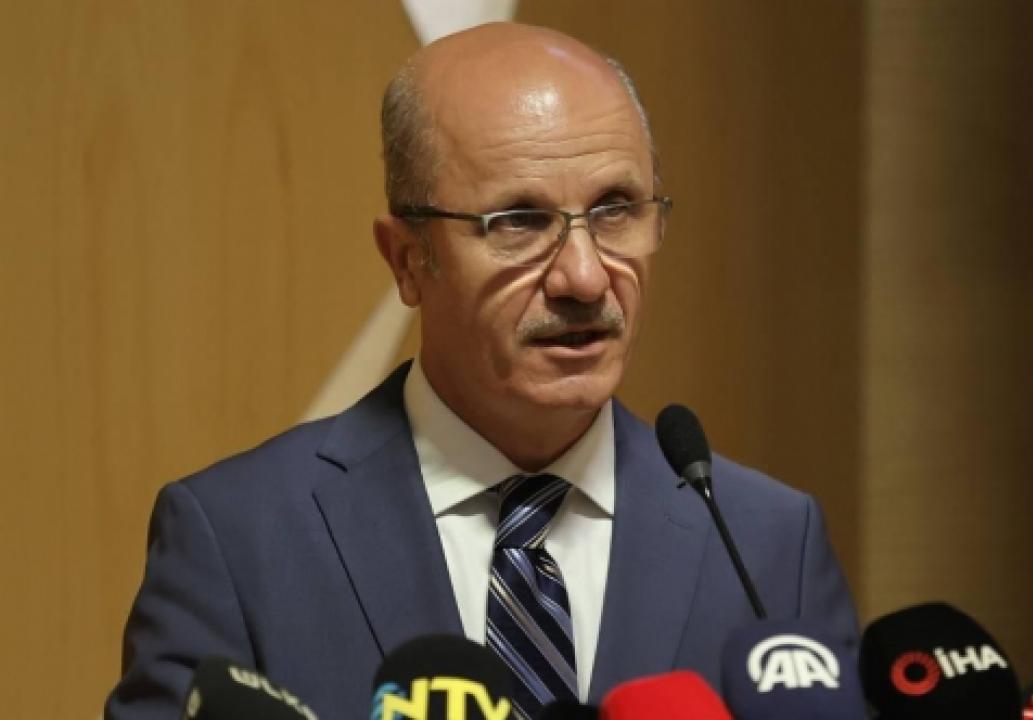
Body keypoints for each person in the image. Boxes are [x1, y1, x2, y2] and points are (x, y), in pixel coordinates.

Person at [105, 22, 859, 720]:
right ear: (408, 261)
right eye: (519, 222)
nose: (584, 277)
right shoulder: (238, 541)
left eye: (615, 209)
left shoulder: (767, 546)